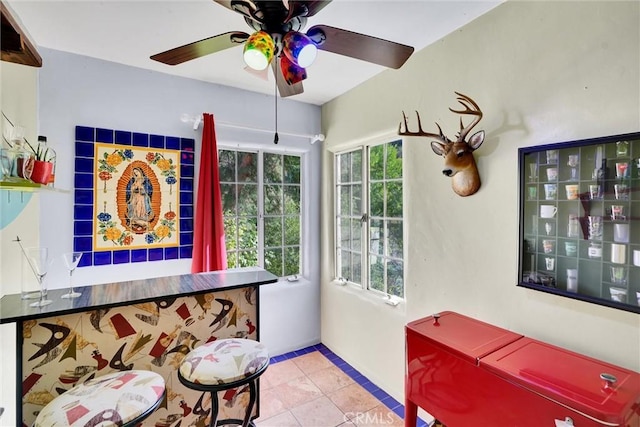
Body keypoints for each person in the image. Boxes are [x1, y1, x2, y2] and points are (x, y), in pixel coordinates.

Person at [126, 167, 154, 232]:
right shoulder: (133, 180)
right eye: (134, 172)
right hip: (135, 196)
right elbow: (130, 189)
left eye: (137, 172)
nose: (136, 173)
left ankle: (142, 219)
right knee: (134, 207)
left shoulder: (145, 180)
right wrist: (133, 188)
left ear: (140, 172)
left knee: (141, 207)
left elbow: (148, 190)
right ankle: (135, 219)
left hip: (142, 197)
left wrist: (142, 189)